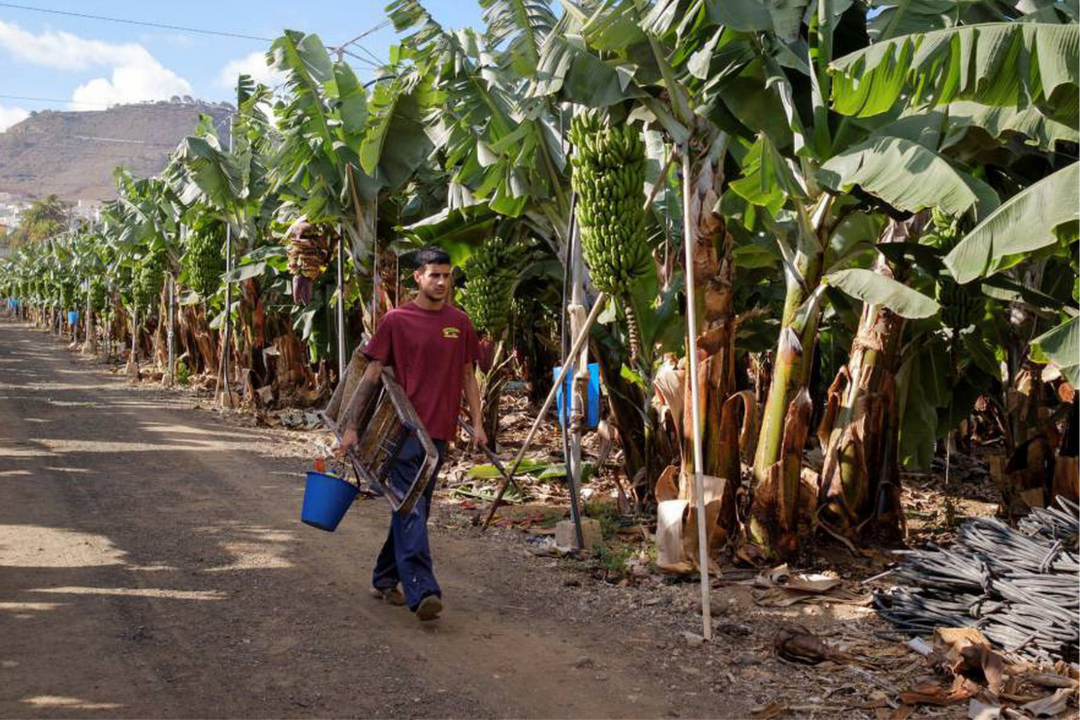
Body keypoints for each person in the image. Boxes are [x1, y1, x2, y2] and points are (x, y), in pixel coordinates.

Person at [336, 246, 486, 622]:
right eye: (434, 275)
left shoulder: (460, 322)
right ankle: (423, 590)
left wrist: (480, 425)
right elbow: (371, 375)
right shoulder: (396, 320)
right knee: (411, 507)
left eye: (447, 275)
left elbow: (468, 376)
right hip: (402, 431)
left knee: (414, 508)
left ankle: (385, 576)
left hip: (439, 433)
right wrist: (352, 427)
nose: (441, 282)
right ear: (417, 277)